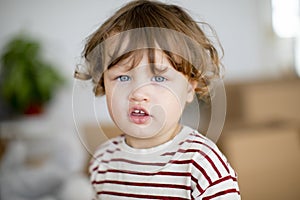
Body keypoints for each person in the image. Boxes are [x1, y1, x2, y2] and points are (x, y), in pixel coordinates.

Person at [74, 0, 240, 199]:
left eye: (159, 78)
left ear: (189, 89)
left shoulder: (202, 165)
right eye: (123, 77)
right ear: (103, 83)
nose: (138, 93)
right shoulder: (102, 162)